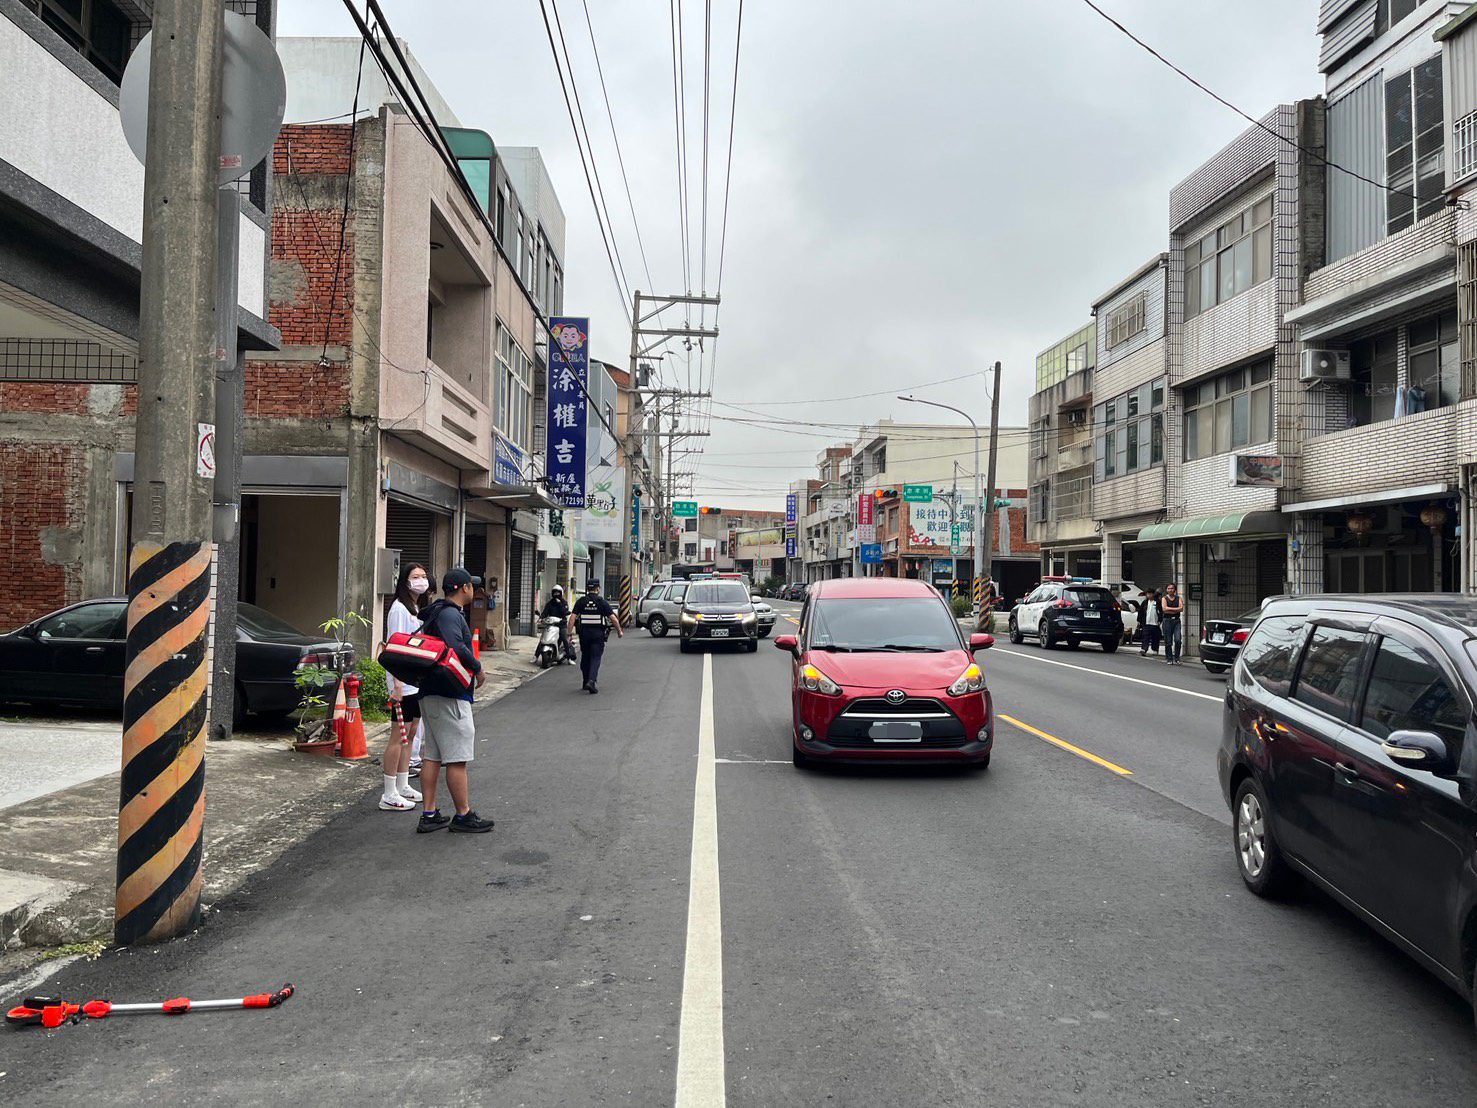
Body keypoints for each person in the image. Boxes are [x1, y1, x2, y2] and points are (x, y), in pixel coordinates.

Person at [415, 568, 493, 834]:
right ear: (463, 588)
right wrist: (477, 668)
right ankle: (463, 814)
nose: (474, 589)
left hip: (430, 691)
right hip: (448, 693)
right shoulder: (450, 614)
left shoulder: (436, 611)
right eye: (472, 585)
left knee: (433, 755)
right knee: (457, 757)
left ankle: (429, 814)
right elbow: (457, 646)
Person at [380, 562, 430, 811]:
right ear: (404, 580)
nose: (421, 580)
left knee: (410, 734)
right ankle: (389, 793)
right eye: (415, 576)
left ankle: (403, 784)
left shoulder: (415, 607)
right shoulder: (399, 609)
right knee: (398, 736)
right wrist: (397, 683)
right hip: (402, 682)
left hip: (414, 681)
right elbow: (396, 647)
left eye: (423, 576)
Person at [570, 579, 623, 694]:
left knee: (585, 657)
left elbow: (572, 618)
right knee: (595, 657)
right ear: (598, 588)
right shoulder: (601, 602)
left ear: (587, 588)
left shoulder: (581, 601)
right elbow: (613, 618)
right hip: (597, 635)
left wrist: (569, 633)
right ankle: (591, 681)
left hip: (584, 635)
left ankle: (585, 681)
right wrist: (619, 631)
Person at [540, 584, 576, 665]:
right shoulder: (550, 603)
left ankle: (569, 658)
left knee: (564, 638)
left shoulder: (564, 602)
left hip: (561, 625)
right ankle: (535, 656)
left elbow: (564, 612)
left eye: (558, 593)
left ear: (561, 593)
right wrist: (541, 617)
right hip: (551, 624)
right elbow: (545, 612)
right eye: (555, 593)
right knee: (542, 639)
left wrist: (559, 604)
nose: (556, 595)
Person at [1160, 582, 1185, 665]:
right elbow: (1164, 609)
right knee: (1168, 641)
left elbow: (1181, 609)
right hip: (1167, 620)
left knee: (1178, 640)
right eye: (1169, 588)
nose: (1170, 590)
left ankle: (1177, 658)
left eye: (1172, 588)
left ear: (1175, 590)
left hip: (1176, 621)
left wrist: (1169, 609)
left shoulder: (1179, 598)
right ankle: (1169, 658)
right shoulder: (1164, 598)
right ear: (1166, 590)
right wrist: (1175, 609)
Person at [1138, 589, 1163, 658]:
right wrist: (1139, 620)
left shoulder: (1157, 602)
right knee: (1145, 636)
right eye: (1147, 594)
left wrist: (1160, 620)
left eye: (1150, 594)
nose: (1149, 595)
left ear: (1153, 594)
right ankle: (1144, 649)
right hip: (1146, 623)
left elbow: (1161, 612)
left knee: (1155, 637)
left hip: (1155, 623)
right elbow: (1141, 612)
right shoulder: (1145, 602)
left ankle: (1155, 649)